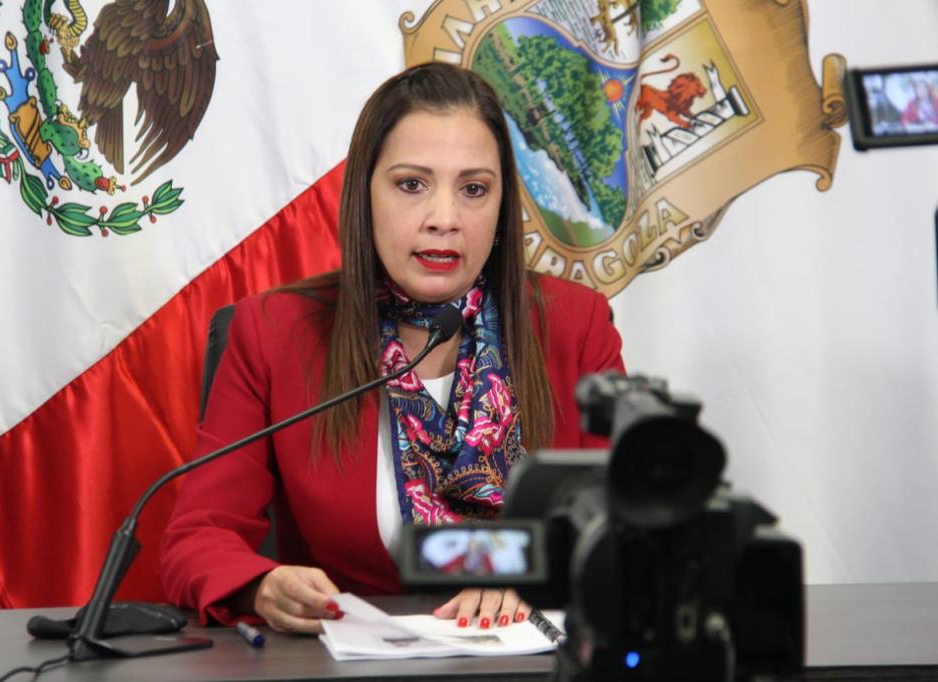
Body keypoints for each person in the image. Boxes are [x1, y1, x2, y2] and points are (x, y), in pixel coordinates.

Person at [159, 62, 625, 635]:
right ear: (366, 197)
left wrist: (528, 576)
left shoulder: (575, 325)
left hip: (538, 659)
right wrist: (261, 586)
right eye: (411, 185)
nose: (444, 219)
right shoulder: (275, 333)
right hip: (356, 660)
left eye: (474, 189)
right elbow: (197, 539)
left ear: (502, 206)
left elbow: (630, 530)